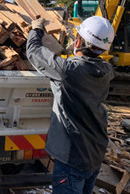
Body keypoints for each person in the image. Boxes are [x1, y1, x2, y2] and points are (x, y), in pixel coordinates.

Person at [26, 15, 115, 194]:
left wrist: (36, 29)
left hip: (73, 157)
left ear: (79, 41)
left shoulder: (69, 70)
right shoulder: (106, 70)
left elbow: (34, 52)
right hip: (95, 152)